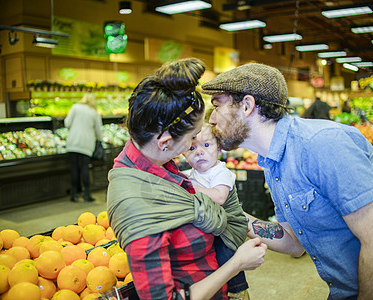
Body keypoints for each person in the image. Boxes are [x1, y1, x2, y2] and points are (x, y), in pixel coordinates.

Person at [201, 62, 373, 299]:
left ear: (247, 105)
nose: (211, 119)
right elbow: (294, 243)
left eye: (217, 106)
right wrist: (229, 215)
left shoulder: (322, 144)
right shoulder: (272, 161)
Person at [106, 58, 267, 300]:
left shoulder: (156, 164)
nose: (194, 146)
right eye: (192, 138)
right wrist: (236, 264)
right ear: (165, 141)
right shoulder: (139, 206)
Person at [182, 124, 249, 300]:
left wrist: (190, 188)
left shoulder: (220, 171)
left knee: (223, 251)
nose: (199, 152)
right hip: (213, 222)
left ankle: (238, 289)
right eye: (192, 148)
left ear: (218, 149)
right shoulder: (192, 174)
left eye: (206, 145)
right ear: (183, 154)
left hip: (230, 225)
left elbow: (219, 197)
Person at [64, 93, 102, 202]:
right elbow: (98, 131)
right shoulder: (94, 112)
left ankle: (74, 194)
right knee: (85, 169)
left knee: (74, 168)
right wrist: (99, 141)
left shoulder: (75, 107)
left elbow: (67, 123)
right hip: (87, 143)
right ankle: (86, 194)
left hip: (73, 142)